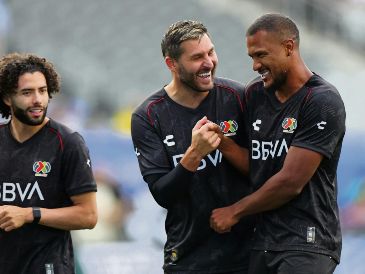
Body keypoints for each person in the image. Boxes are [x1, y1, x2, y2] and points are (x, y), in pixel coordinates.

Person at [207, 13, 346, 274]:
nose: (255, 66)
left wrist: (234, 211)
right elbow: (258, 166)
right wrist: (222, 143)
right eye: (252, 57)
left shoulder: (322, 101)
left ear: (288, 47)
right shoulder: (255, 95)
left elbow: (290, 182)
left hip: (306, 242)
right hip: (262, 241)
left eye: (261, 55)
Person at [131, 20, 254, 274]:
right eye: (197, 57)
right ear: (171, 64)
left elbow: (262, 170)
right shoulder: (149, 116)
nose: (208, 63)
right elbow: (162, 195)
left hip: (248, 253)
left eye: (211, 52)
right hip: (189, 257)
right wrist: (194, 154)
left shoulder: (238, 97)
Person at [0, 53, 98, 274]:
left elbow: (88, 215)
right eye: (27, 92)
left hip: (47, 266)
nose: (38, 100)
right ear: (7, 98)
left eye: (42, 91)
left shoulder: (68, 142)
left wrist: (29, 214)